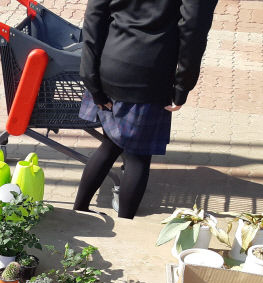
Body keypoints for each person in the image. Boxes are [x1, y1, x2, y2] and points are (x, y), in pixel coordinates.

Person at [73, 0, 218, 218]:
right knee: (137, 157)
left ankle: (78, 213)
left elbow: (94, 16)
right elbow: (193, 28)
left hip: (110, 65)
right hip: (151, 73)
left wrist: (90, 76)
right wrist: (183, 84)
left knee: (110, 145)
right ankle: (124, 226)